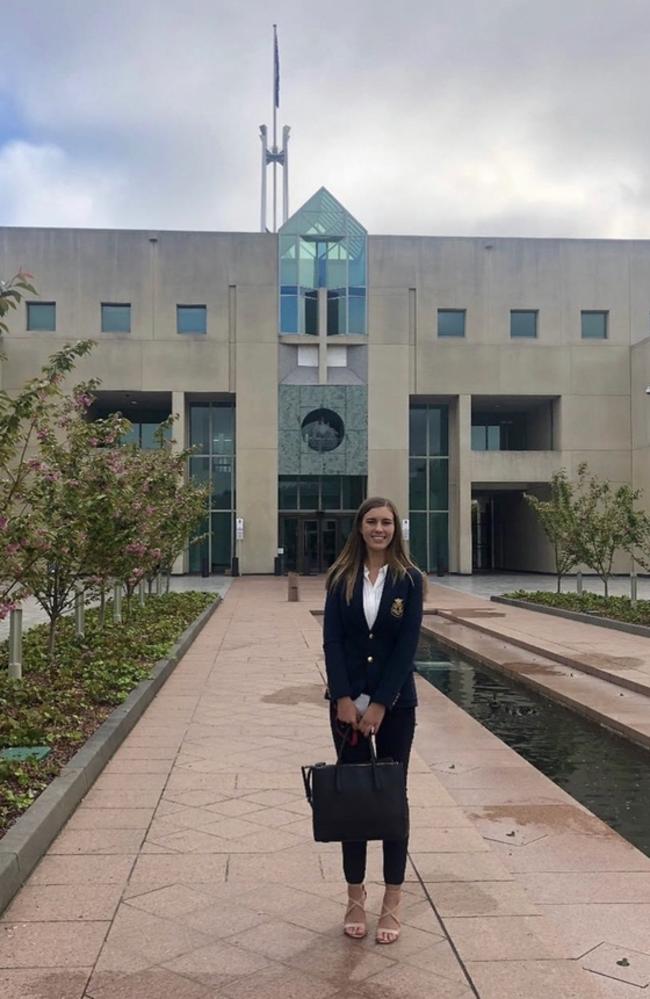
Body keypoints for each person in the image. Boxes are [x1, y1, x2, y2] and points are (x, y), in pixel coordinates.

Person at [323, 496, 425, 944]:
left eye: (386, 522)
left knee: (390, 798)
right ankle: (353, 896)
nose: (379, 529)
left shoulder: (410, 580)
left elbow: (406, 649)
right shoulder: (340, 577)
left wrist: (381, 703)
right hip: (346, 708)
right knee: (353, 799)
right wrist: (344, 698)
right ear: (359, 527)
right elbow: (333, 641)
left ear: (395, 528)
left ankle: (393, 900)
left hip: (396, 708)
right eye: (371, 521)